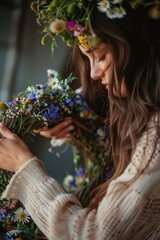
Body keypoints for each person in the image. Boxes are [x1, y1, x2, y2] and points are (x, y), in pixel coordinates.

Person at [0, 1, 160, 239]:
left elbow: (93, 234)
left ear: (137, 47)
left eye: (102, 56)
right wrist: (78, 132)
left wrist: (25, 167)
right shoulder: (143, 119)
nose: (94, 73)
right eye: (89, 59)